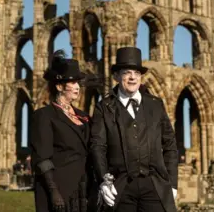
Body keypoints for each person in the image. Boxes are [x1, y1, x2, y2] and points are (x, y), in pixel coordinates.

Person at [90, 47, 178, 212]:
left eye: (137, 73)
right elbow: (98, 146)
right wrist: (104, 180)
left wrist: (172, 183)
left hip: (154, 185)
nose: (132, 77)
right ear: (116, 76)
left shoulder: (155, 104)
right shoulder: (104, 107)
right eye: (127, 72)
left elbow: (170, 144)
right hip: (121, 186)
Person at [29, 50, 91, 212]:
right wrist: (54, 192)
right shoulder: (44, 116)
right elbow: (42, 158)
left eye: (78, 82)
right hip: (59, 189)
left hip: (83, 189)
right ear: (59, 86)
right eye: (72, 82)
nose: (78, 87)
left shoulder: (84, 117)